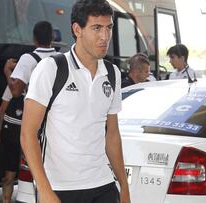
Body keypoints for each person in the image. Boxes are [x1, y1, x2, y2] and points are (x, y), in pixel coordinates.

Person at [21, 0, 131, 203]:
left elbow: (112, 135)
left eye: (109, 28)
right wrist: (44, 190)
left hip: (103, 184)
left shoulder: (112, 73)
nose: (104, 36)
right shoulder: (50, 69)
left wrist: (123, 185)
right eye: (96, 28)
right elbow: (28, 134)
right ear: (77, 29)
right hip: (60, 188)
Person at [1, 20, 58, 203]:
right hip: (49, 125)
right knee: (45, 172)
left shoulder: (27, 59)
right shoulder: (61, 58)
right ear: (52, 38)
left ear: (34, 39)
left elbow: (16, 90)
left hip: (23, 123)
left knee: (14, 171)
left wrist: (7, 73)